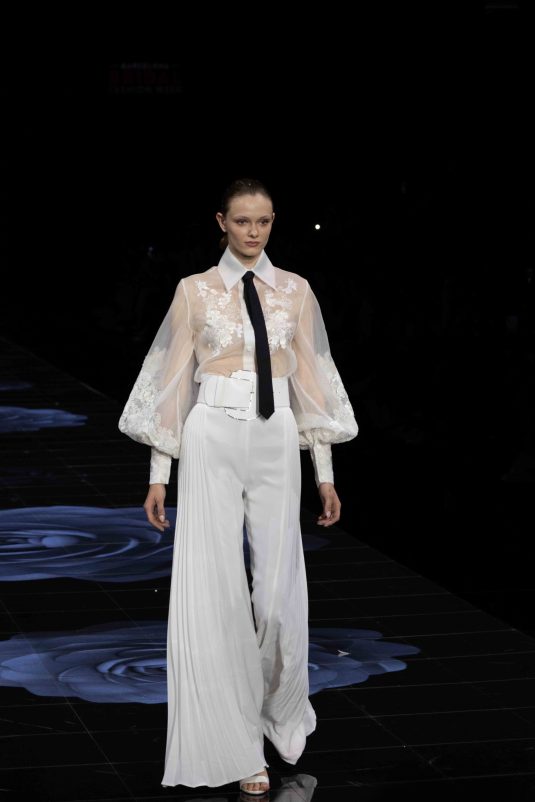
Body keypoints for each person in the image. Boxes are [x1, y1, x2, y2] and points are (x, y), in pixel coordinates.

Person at [118, 177, 359, 794]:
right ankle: (237, 745)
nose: (255, 232)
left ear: (273, 222)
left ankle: (278, 710)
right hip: (212, 434)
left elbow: (312, 388)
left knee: (278, 596)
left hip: (276, 436)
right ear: (221, 222)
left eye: (265, 221)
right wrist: (159, 474)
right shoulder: (194, 290)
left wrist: (325, 473)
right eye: (244, 221)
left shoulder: (296, 291)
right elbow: (172, 385)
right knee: (216, 590)